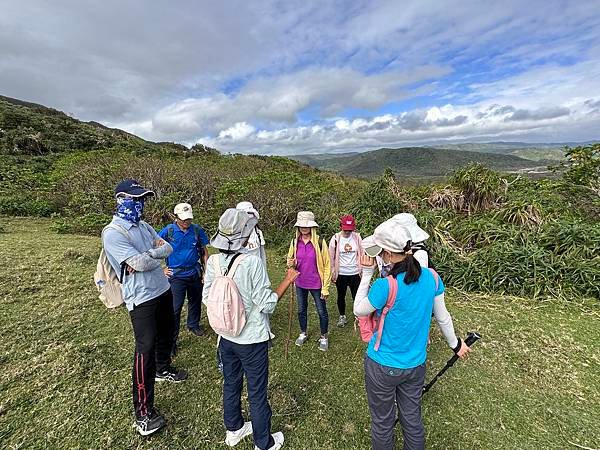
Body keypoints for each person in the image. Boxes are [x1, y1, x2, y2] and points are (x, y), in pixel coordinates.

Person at [353, 219, 471, 450]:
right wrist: (456, 344)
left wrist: (367, 274)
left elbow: (359, 309)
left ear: (387, 254)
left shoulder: (385, 286)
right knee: (412, 417)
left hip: (382, 365)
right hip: (416, 365)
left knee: (383, 422)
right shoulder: (432, 277)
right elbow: (443, 317)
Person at [203, 208, 298, 450]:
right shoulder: (251, 263)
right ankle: (263, 443)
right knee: (256, 391)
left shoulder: (213, 261)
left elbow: (207, 297)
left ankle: (233, 429)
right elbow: (267, 304)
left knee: (231, 382)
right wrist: (287, 279)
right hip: (252, 339)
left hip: (225, 336)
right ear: (245, 236)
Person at [102, 179, 188, 437]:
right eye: (135, 199)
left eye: (142, 199)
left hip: (161, 288)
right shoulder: (114, 232)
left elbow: (167, 249)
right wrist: (150, 255)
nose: (140, 204)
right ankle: (143, 412)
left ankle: (164, 369)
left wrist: (147, 256)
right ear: (121, 200)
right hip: (141, 298)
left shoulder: (144, 226)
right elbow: (137, 263)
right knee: (144, 350)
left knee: (167, 333)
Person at [158, 203, 210, 357]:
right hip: (176, 276)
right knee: (175, 309)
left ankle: (193, 324)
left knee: (195, 300)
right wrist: (162, 269)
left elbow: (204, 252)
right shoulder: (169, 231)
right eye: (183, 219)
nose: (187, 221)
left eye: (189, 219)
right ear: (176, 217)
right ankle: (171, 341)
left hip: (194, 272)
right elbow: (152, 248)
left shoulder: (196, 230)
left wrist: (206, 272)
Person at [286, 211, 331, 351]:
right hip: (300, 282)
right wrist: (290, 263)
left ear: (312, 227)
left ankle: (324, 336)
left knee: (321, 311)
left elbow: (327, 264)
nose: (304, 228)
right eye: (301, 226)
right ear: (298, 227)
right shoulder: (295, 242)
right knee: (301, 310)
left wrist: (325, 287)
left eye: (306, 226)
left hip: (317, 283)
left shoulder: (319, 242)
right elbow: (290, 262)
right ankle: (303, 332)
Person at [329, 214, 364, 327]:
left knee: (357, 296)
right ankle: (342, 316)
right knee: (341, 295)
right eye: (346, 229)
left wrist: (363, 270)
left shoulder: (357, 237)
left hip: (355, 273)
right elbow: (331, 257)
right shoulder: (335, 239)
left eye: (350, 229)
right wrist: (333, 272)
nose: (348, 232)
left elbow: (362, 254)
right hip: (342, 274)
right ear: (341, 227)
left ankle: (358, 317)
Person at [236, 201, 267, 269]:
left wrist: (264, 271)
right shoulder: (234, 234)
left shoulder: (258, 232)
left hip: (256, 270)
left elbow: (262, 254)